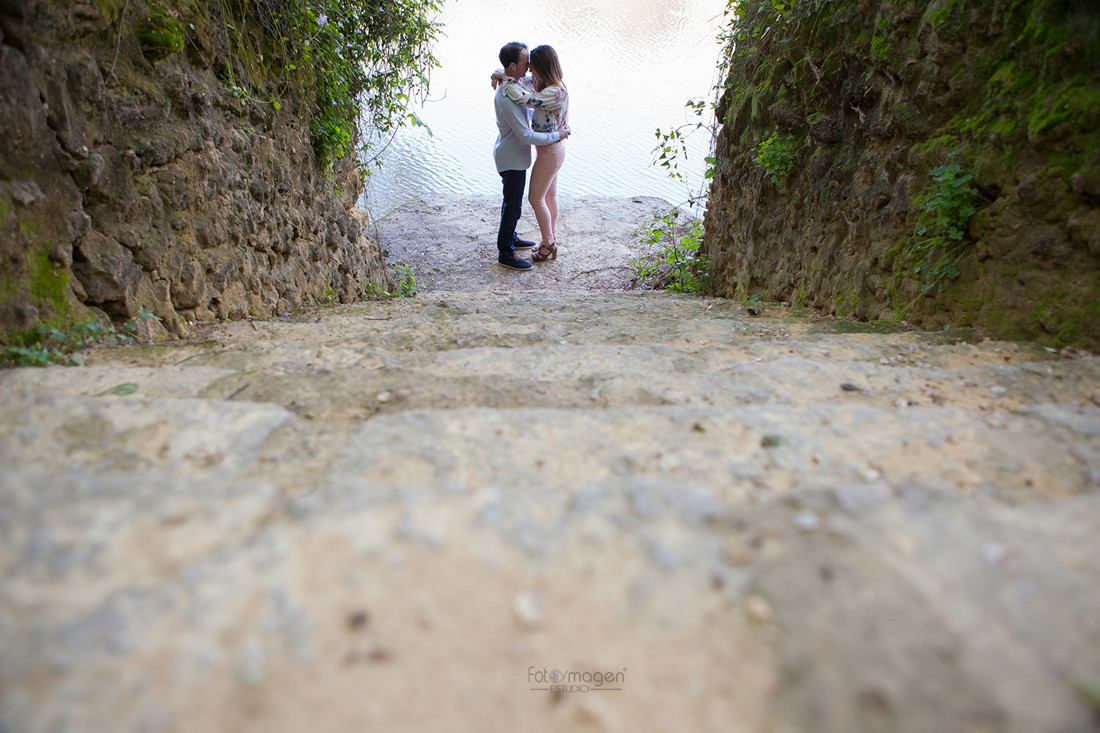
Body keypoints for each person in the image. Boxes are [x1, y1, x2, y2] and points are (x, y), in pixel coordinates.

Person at [492, 42, 569, 271]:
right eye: (527, 64)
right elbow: (522, 94)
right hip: (536, 153)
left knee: (536, 199)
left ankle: (548, 242)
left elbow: (526, 98)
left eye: (533, 65)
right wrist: (502, 75)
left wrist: (504, 77)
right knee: (529, 201)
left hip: (550, 151)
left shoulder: (552, 91)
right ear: (514, 65)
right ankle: (510, 249)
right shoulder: (531, 84)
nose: (529, 69)